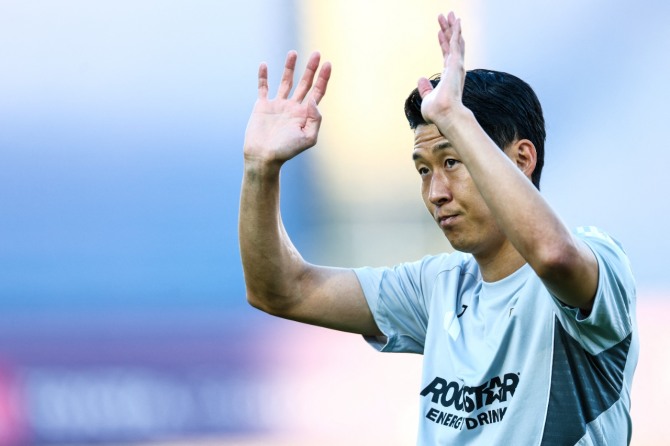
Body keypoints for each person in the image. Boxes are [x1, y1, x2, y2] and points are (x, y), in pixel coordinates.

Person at [239, 11, 638, 445]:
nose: (436, 193)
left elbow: (553, 256)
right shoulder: (438, 287)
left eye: (452, 161)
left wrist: (455, 117)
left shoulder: (599, 263)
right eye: (424, 170)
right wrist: (260, 169)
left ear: (522, 159)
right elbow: (281, 291)